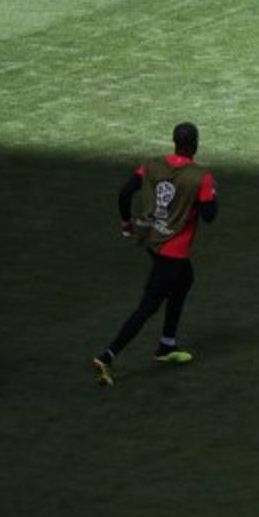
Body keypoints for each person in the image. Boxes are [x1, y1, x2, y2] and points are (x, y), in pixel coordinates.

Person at [93, 122, 218, 386]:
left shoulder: (151, 164)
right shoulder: (201, 177)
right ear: (195, 145)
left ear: (174, 142)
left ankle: (166, 345)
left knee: (185, 279)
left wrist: (126, 223)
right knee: (148, 306)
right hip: (173, 251)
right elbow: (209, 216)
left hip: (152, 239)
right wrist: (206, 197)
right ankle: (107, 355)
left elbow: (125, 191)